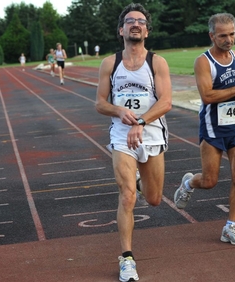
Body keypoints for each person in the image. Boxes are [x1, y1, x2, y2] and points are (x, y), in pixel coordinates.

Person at [95, 3, 172, 282]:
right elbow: (100, 103)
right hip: (121, 136)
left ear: (147, 31)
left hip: (151, 134)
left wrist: (140, 122)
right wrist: (119, 111)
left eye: (140, 21)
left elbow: (166, 102)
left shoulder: (157, 63)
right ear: (121, 30)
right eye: (130, 21)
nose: (135, 24)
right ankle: (127, 259)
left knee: (153, 199)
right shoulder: (110, 63)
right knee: (127, 196)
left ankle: (142, 182)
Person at [174, 13, 235, 245]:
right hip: (213, 128)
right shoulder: (203, 61)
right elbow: (207, 95)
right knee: (210, 181)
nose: (229, 39)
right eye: (223, 35)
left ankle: (230, 227)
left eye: (232, 34)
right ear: (212, 35)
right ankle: (189, 183)